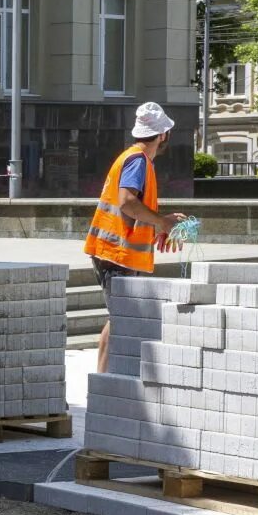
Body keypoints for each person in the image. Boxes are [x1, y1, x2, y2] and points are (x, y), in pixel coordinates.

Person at [85, 101, 189, 373]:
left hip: (113, 252)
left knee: (118, 318)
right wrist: (162, 222)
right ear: (163, 134)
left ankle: (104, 380)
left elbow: (131, 211)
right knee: (122, 319)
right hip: (117, 255)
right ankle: (105, 383)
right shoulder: (138, 161)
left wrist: (158, 226)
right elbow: (127, 202)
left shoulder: (132, 158)